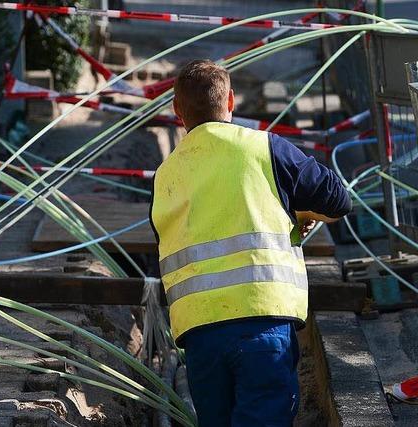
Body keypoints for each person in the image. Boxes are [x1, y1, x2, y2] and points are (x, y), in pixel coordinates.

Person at [149, 59, 352, 426]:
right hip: (264, 322)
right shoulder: (264, 148)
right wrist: (303, 216)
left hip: (200, 335)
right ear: (230, 102)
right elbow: (338, 200)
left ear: (177, 111)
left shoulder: (165, 175)